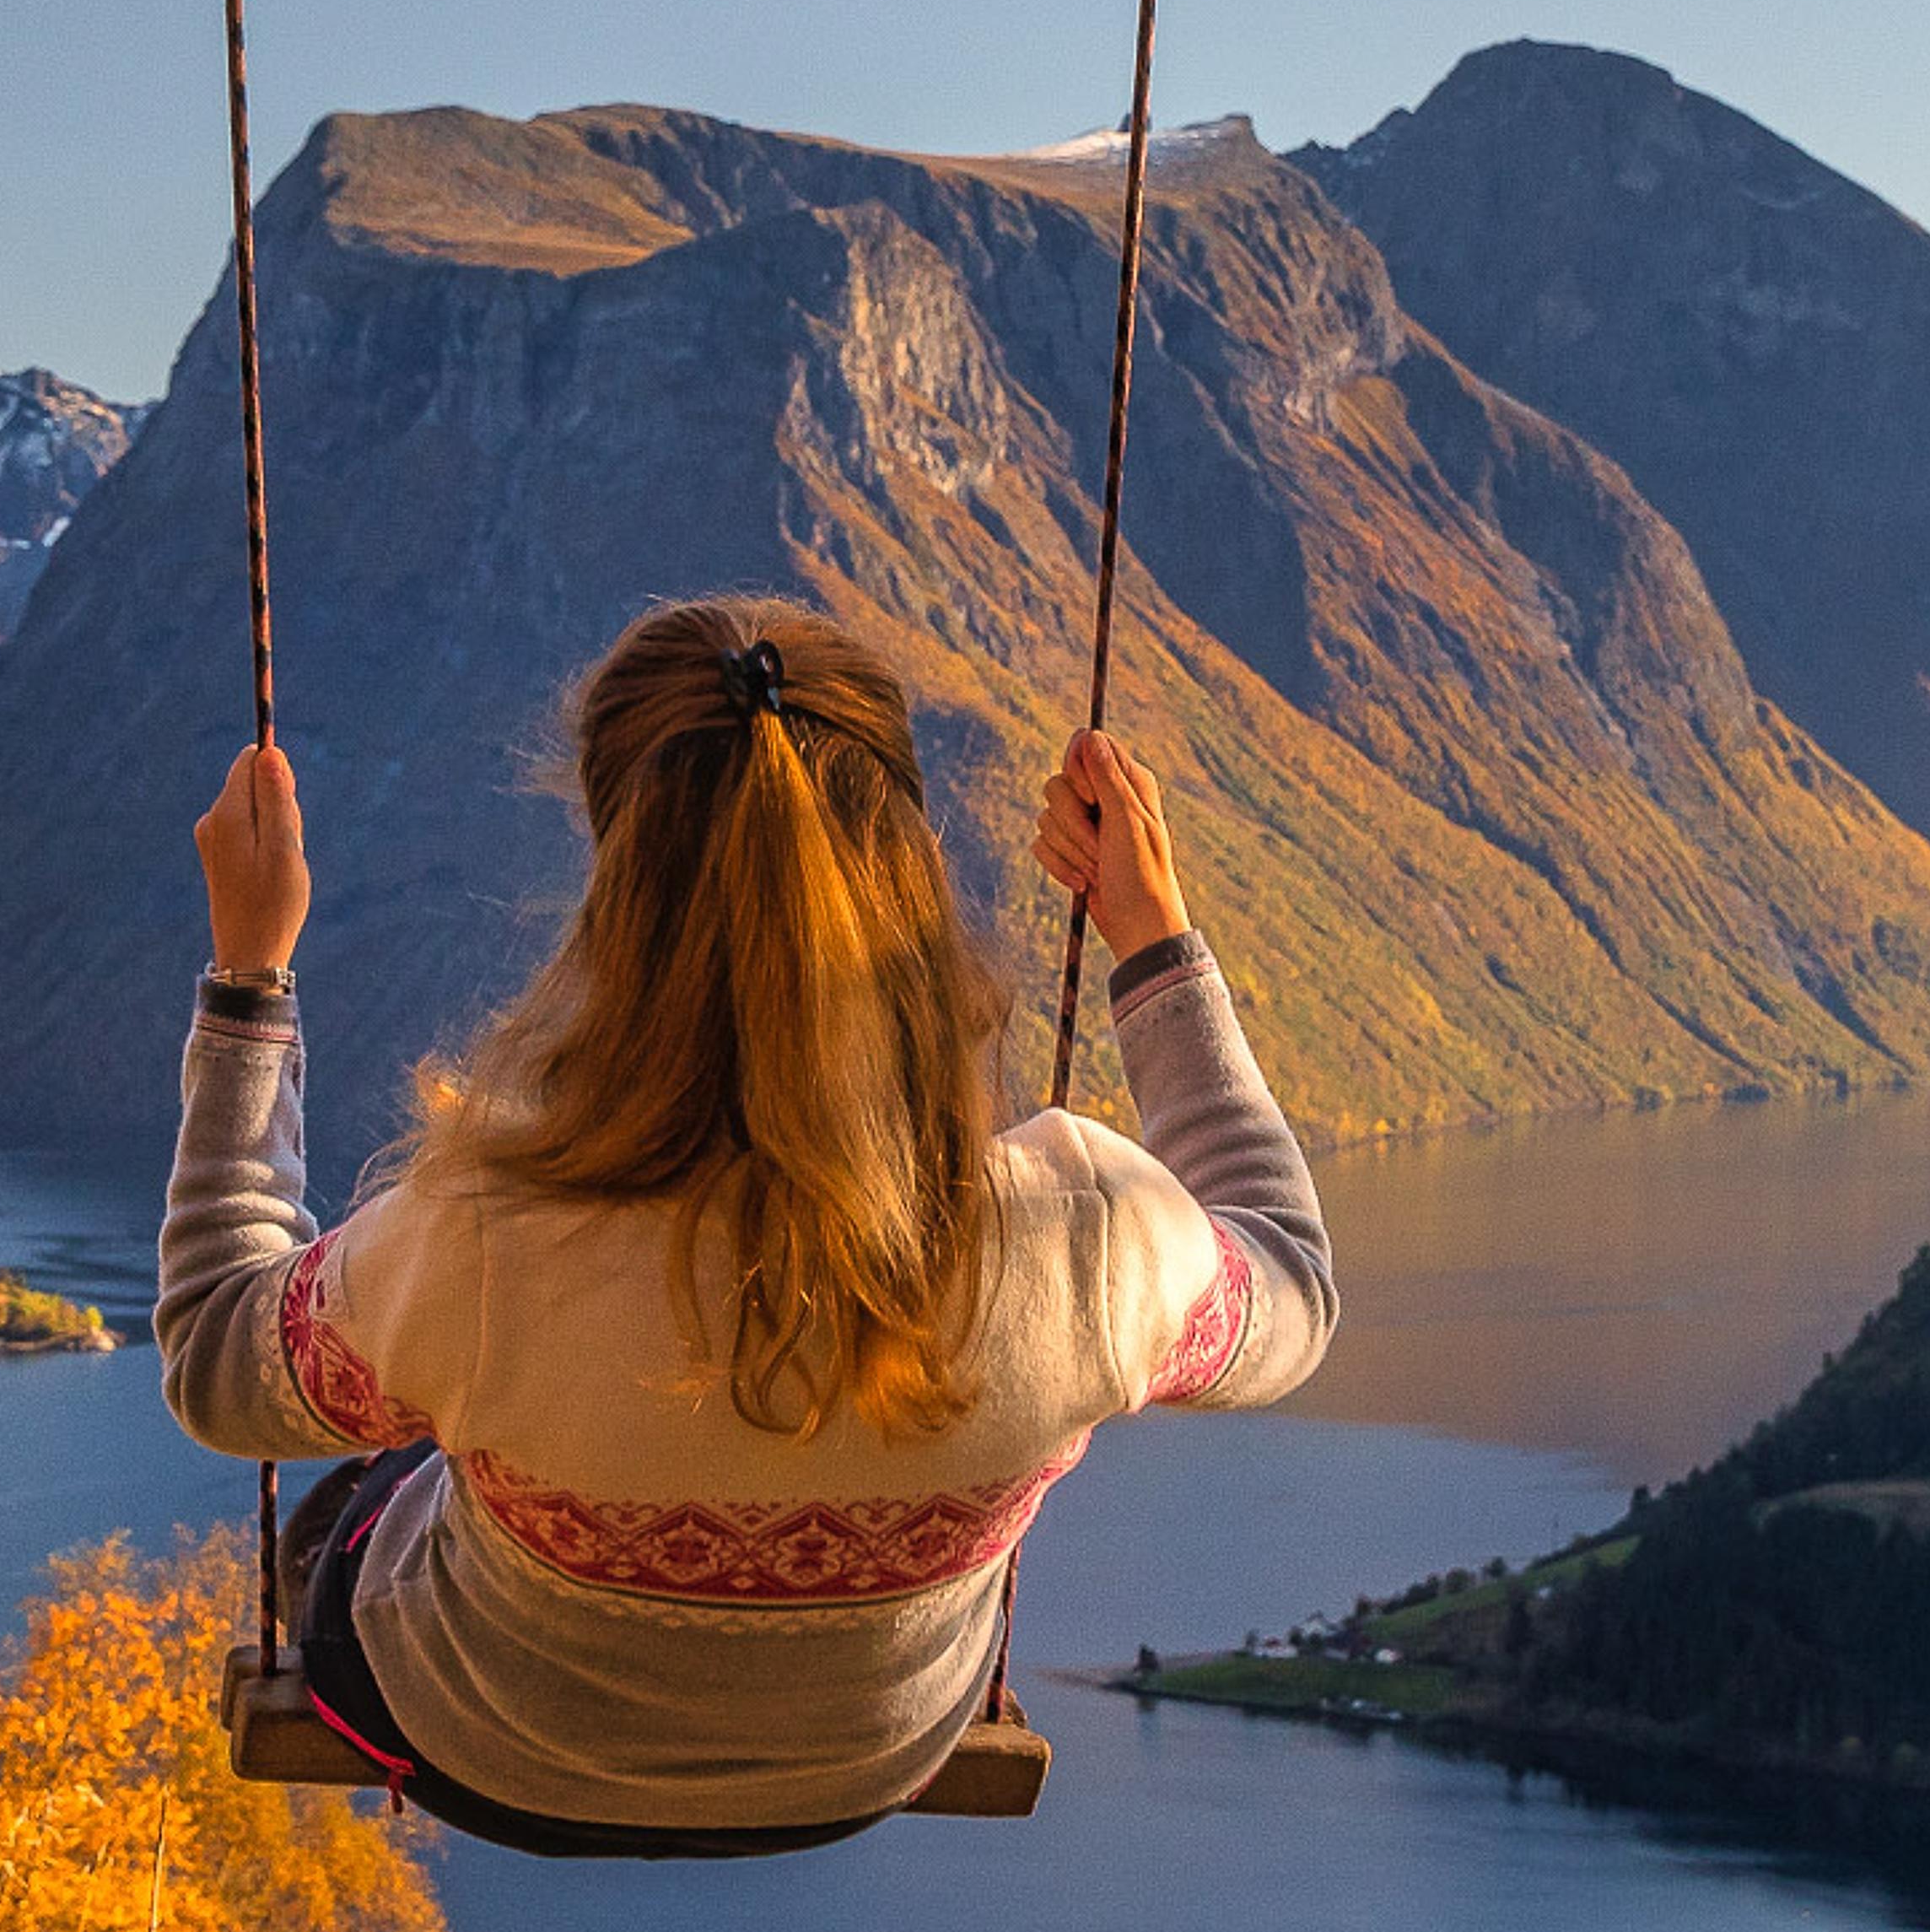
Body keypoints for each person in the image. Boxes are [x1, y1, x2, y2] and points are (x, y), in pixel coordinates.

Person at [159, 596, 1333, 1854]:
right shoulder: (1086, 1234)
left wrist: (249, 978)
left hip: (492, 1746)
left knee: (371, 1489)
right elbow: (1289, 1284)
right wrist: (1153, 945)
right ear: (904, 855)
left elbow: (222, 1364)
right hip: (875, 1752)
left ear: (617, 874)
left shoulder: (486, 1240)